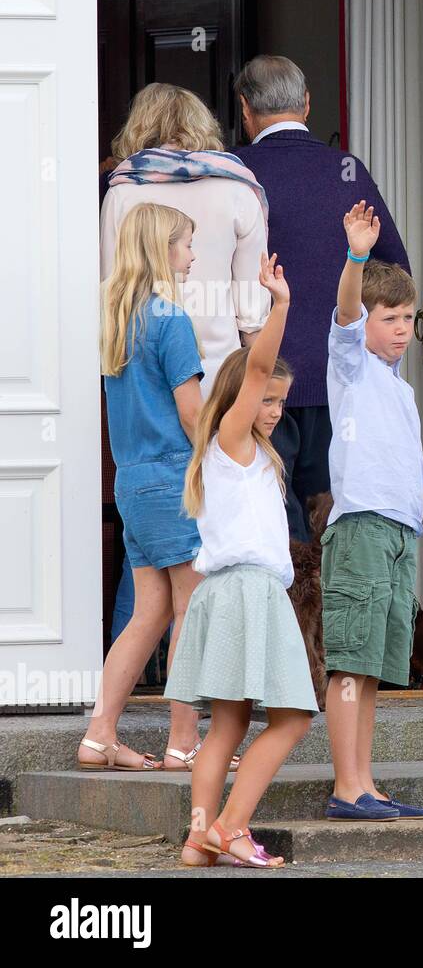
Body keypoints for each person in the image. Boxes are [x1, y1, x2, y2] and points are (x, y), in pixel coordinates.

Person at [101, 82, 272, 687]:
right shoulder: (238, 186)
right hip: (212, 386)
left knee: (147, 561)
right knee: (204, 560)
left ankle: (129, 698)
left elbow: (112, 291)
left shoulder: (124, 189)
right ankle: (195, 718)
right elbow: (252, 313)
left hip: (134, 377)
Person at [165, 254, 317, 868]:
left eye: (281, 400)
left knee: (227, 726)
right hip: (248, 592)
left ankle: (198, 839)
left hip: (227, 593)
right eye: (267, 398)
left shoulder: (250, 455)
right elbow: (255, 364)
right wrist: (279, 305)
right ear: (239, 397)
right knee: (295, 717)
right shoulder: (230, 440)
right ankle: (232, 825)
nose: (275, 409)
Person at [233, 55, 410, 543]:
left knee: (268, 519)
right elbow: (395, 268)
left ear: (245, 109)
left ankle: (283, 621)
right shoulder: (345, 170)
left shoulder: (234, 170)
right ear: (307, 104)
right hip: (338, 378)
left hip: (262, 373)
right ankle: (333, 620)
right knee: (333, 521)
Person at [78, 203, 208, 774]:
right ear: (162, 250)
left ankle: (100, 734)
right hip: (175, 478)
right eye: (184, 244)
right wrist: (228, 458)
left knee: (149, 612)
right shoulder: (171, 322)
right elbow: (190, 412)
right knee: (191, 609)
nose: (191, 255)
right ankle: (184, 741)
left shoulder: (117, 322)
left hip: (132, 482)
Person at [321, 202, 423, 822]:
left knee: (375, 667)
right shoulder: (351, 364)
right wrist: (357, 257)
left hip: (396, 531)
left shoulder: (401, 388)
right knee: (351, 662)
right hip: (360, 526)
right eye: (388, 318)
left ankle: (364, 782)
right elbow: (343, 312)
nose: (400, 329)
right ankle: (345, 785)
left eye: (409, 319)